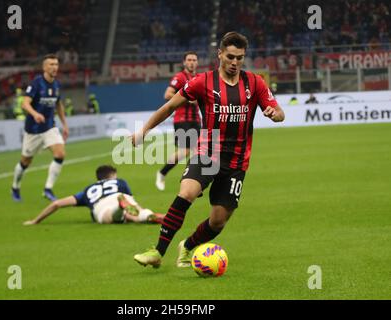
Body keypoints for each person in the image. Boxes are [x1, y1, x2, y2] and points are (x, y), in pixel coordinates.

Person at [131, 31, 285, 268]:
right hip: (208, 152)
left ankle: (188, 246)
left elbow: (279, 112)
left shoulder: (255, 82)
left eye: (240, 58)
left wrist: (275, 114)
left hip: (237, 162)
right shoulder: (203, 82)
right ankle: (158, 252)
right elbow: (170, 105)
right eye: (230, 57)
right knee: (187, 193)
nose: (234, 63)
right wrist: (144, 130)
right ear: (220, 54)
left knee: (218, 222)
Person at [11, 54, 69, 202]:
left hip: (50, 126)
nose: (54, 67)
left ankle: (48, 189)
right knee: (25, 162)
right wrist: (35, 114)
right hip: (33, 129)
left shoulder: (56, 84)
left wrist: (65, 124)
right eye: (51, 64)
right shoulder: (37, 83)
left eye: (56, 64)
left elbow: (58, 105)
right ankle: (15, 187)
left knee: (60, 154)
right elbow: (25, 103)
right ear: (44, 67)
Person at [23, 165, 164, 225]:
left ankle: (120, 209)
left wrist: (36, 220)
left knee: (110, 217)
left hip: (100, 205)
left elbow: (56, 204)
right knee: (135, 211)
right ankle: (148, 215)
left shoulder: (88, 190)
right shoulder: (119, 182)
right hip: (119, 196)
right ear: (113, 175)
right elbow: (132, 200)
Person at [156, 51, 201, 191]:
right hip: (182, 119)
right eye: (189, 59)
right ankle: (162, 173)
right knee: (186, 151)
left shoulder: (200, 78)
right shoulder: (180, 77)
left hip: (196, 120)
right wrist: (188, 98)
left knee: (200, 151)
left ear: (197, 62)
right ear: (184, 62)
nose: (192, 62)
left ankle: (192, 180)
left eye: (194, 59)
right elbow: (167, 94)